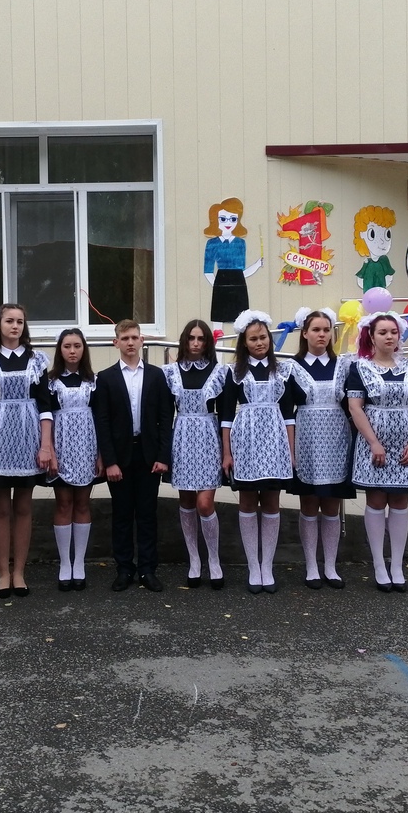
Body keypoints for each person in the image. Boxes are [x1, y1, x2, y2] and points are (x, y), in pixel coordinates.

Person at [0, 304, 53, 599]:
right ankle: (3, 574)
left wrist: (46, 446)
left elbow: (45, 406)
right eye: (9, 321)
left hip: (29, 438)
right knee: (1, 509)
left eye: (20, 321)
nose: (15, 326)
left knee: (23, 507)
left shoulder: (36, 360)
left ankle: (19, 572)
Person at [346, 313, 408, 593]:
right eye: (382, 332)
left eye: (393, 332)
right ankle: (379, 564)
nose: (389, 337)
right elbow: (355, 407)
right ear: (372, 336)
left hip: (405, 444)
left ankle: (397, 565)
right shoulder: (360, 368)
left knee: (400, 500)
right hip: (375, 444)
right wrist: (373, 442)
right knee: (377, 499)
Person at [93, 319, 173, 593]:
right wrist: (110, 461)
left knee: (148, 514)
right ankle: (124, 569)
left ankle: (148, 569)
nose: (130, 342)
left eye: (134, 337)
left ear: (142, 341)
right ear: (116, 342)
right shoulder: (106, 378)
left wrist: (163, 456)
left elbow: (166, 416)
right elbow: (102, 421)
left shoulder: (156, 375)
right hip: (120, 457)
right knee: (122, 514)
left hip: (149, 455)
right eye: (125, 338)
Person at [219, 311, 295, 593]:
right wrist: (227, 453)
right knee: (248, 501)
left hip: (275, 441)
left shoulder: (282, 370)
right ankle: (253, 565)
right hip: (246, 441)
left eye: (263, 337)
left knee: (272, 501)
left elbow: (289, 415)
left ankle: (267, 566)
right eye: (253, 338)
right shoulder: (234, 372)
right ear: (244, 342)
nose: (260, 342)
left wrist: (291, 451)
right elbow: (226, 416)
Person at [287, 307, 354, 589]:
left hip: (336, 438)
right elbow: (287, 411)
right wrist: (290, 450)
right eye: (316, 330)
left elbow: (352, 406)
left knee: (331, 504)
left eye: (327, 330)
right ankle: (311, 565)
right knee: (309, 503)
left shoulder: (344, 366)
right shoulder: (291, 367)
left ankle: (330, 565)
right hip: (307, 439)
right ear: (304, 333)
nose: (322, 335)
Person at [162, 319, 230, 590]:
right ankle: (194, 559)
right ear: (184, 340)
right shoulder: (171, 372)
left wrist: (227, 450)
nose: (196, 343)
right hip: (182, 436)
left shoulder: (219, 371)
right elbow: (165, 413)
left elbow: (226, 415)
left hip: (208, 436)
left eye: (201, 338)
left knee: (204, 503)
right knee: (187, 501)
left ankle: (213, 558)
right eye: (191, 338)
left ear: (208, 342)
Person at [46, 328, 100, 592]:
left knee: (82, 502)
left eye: (77, 346)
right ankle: (64, 563)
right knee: (63, 502)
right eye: (67, 346)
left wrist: (101, 454)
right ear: (60, 350)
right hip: (61, 445)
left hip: (86, 446)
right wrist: (50, 451)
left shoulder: (94, 381)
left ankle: (79, 562)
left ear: (83, 349)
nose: (72, 351)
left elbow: (101, 418)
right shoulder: (50, 382)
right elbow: (45, 417)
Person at [202, 198, 262, 330]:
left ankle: (240, 344)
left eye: (233, 219)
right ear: (215, 220)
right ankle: (217, 344)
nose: (228, 223)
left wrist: (257, 265)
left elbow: (242, 272)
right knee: (218, 321)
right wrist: (218, 287)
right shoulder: (212, 243)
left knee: (242, 323)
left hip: (238, 284)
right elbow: (208, 271)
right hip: (220, 282)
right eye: (223, 219)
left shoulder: (240, 243)